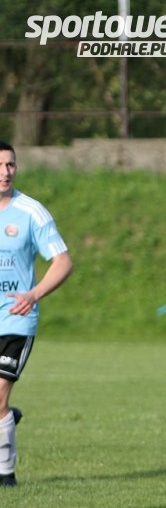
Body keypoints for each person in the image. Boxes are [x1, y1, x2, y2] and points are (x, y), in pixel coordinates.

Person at [0, 141, 74, 487]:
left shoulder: (31, 212)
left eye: (10, 165)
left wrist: (34, 294)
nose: (5, 172)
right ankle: (6, 418)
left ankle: (5, 475)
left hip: (16, 317)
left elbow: (63, 261)